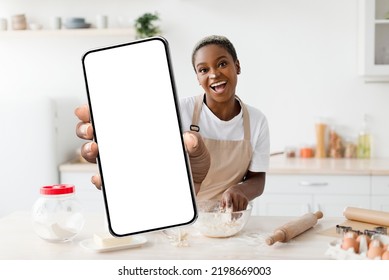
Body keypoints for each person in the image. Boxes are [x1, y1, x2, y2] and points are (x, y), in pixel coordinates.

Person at [75, 35, 270, 211]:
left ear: (237, 66)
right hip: (181, 218)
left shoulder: (256, 120)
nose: (213, 74)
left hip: (228, 220)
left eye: (221, 64)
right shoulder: (177, 111)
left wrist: (241, 190)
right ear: (198, 78)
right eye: (203, 69)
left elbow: (257, 178)